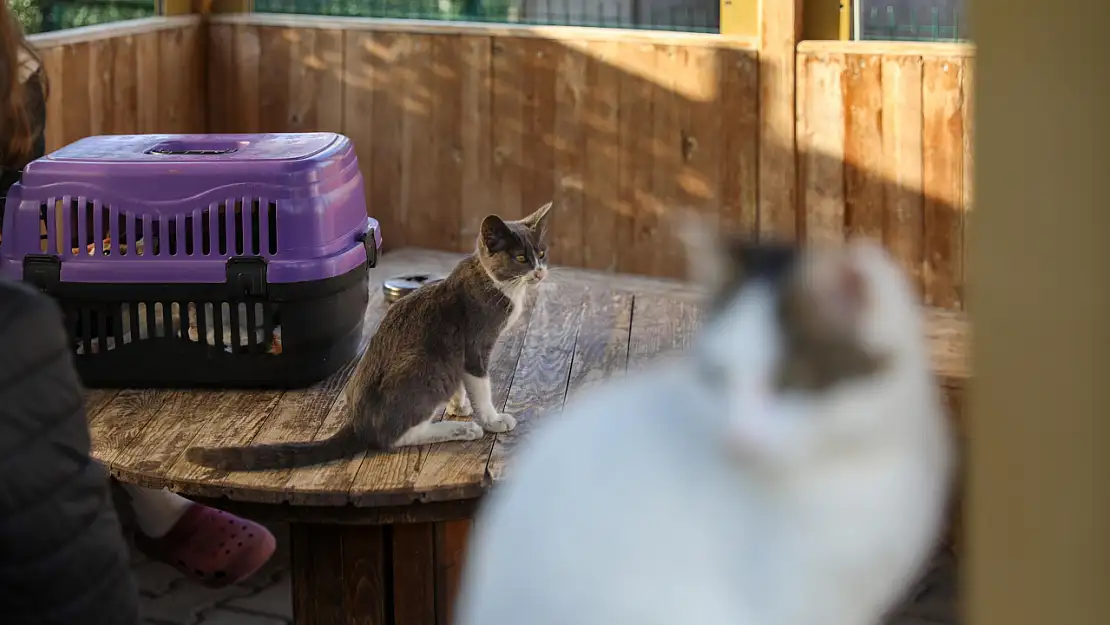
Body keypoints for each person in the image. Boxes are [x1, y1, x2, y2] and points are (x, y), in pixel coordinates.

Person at [0, 3, 276, 600]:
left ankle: (150, 496)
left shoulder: (16, 69)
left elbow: (16, 197)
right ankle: (155, 508)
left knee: (69, 319)